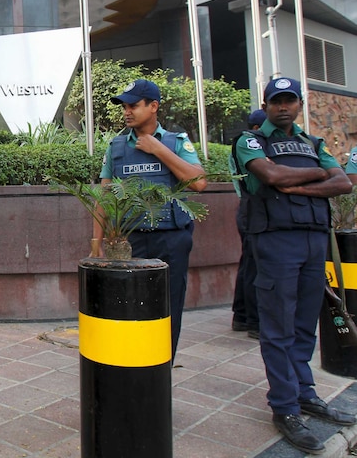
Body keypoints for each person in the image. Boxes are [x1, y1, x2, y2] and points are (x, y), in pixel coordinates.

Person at [233, 77, 354, 454]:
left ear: (299, 103)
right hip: (276, 241)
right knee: (278, 326)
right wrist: (320, 175)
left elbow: (344, 183)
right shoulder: (250, 141)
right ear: (266, 105)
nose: (283, 106)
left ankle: (305, 393)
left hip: (313, 241)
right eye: (276, 101)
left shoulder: (313, 143)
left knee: (305, 324)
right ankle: (284, 406)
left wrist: (298, 184)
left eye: (289, 100)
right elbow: (270, 176)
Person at [93, 79, 207, 358]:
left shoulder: (176, 142)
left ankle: (161, 369)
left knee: (168, 308)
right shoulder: (116, 147)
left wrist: (159, 150)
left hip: (170, 240)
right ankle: (132, 365)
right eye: (124, 107)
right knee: (128, 307)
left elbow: (199, 182)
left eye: (134, 105)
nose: (127, 111)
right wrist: (96, 242)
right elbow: (104, 196)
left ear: (153, 106)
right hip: (129, 242)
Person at [230, 109, 266, 338]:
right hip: (251, 208)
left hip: (248, 208)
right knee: (254, 264)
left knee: (248, 263)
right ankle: (253, 320)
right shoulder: (247, 144)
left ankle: (242, 315)